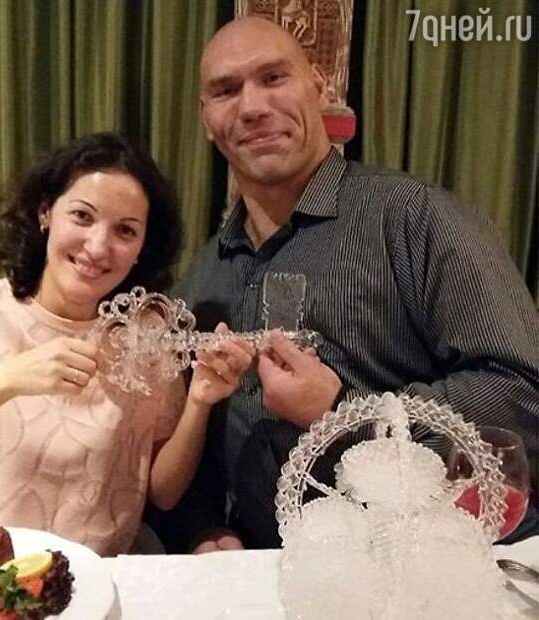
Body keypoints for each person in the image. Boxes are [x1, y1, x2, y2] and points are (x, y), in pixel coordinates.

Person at [157, 17, 539, 552]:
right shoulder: (201, 278)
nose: (252, 106)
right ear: (206, 117)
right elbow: (189, 445)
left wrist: (344, 411)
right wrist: (205, 528)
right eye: (226, 90)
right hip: (273, 574)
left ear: (319, 86)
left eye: (273, 77)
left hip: (438, 566)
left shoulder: (413, 216)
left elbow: (522, 395)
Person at [0, 132, 255, 556]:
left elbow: (163, 492)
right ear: (45, 212)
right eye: (82, 216)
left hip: (96, 578)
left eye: (125, 231)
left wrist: (200, 400)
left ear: (142, 248)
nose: (97, 247)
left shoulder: (144, 337)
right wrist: (8, 378)